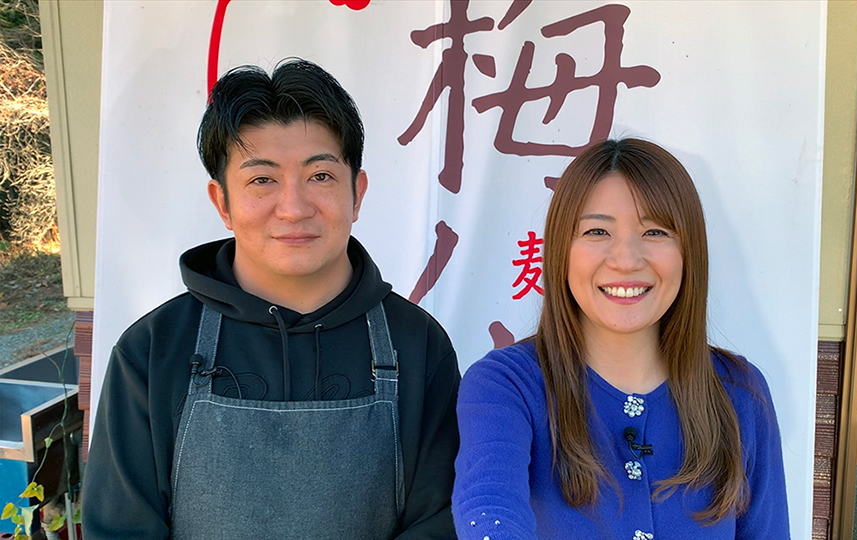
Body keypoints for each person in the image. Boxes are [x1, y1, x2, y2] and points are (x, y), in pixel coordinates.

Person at [83, 59, 460, 539]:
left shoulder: (418, 343)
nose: (294, 207)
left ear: (357, 194)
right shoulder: (153, 350)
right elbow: (119, 529)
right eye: (262, 180)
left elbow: (440, 523)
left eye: (320, 176)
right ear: (222, 202)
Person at [452, 139, 789, 539]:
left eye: (655, 231)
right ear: (561, 250)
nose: (626, 259)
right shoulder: (505, 385)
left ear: (688, 252)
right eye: (597, 231)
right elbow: (488, 512)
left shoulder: (739, 393)